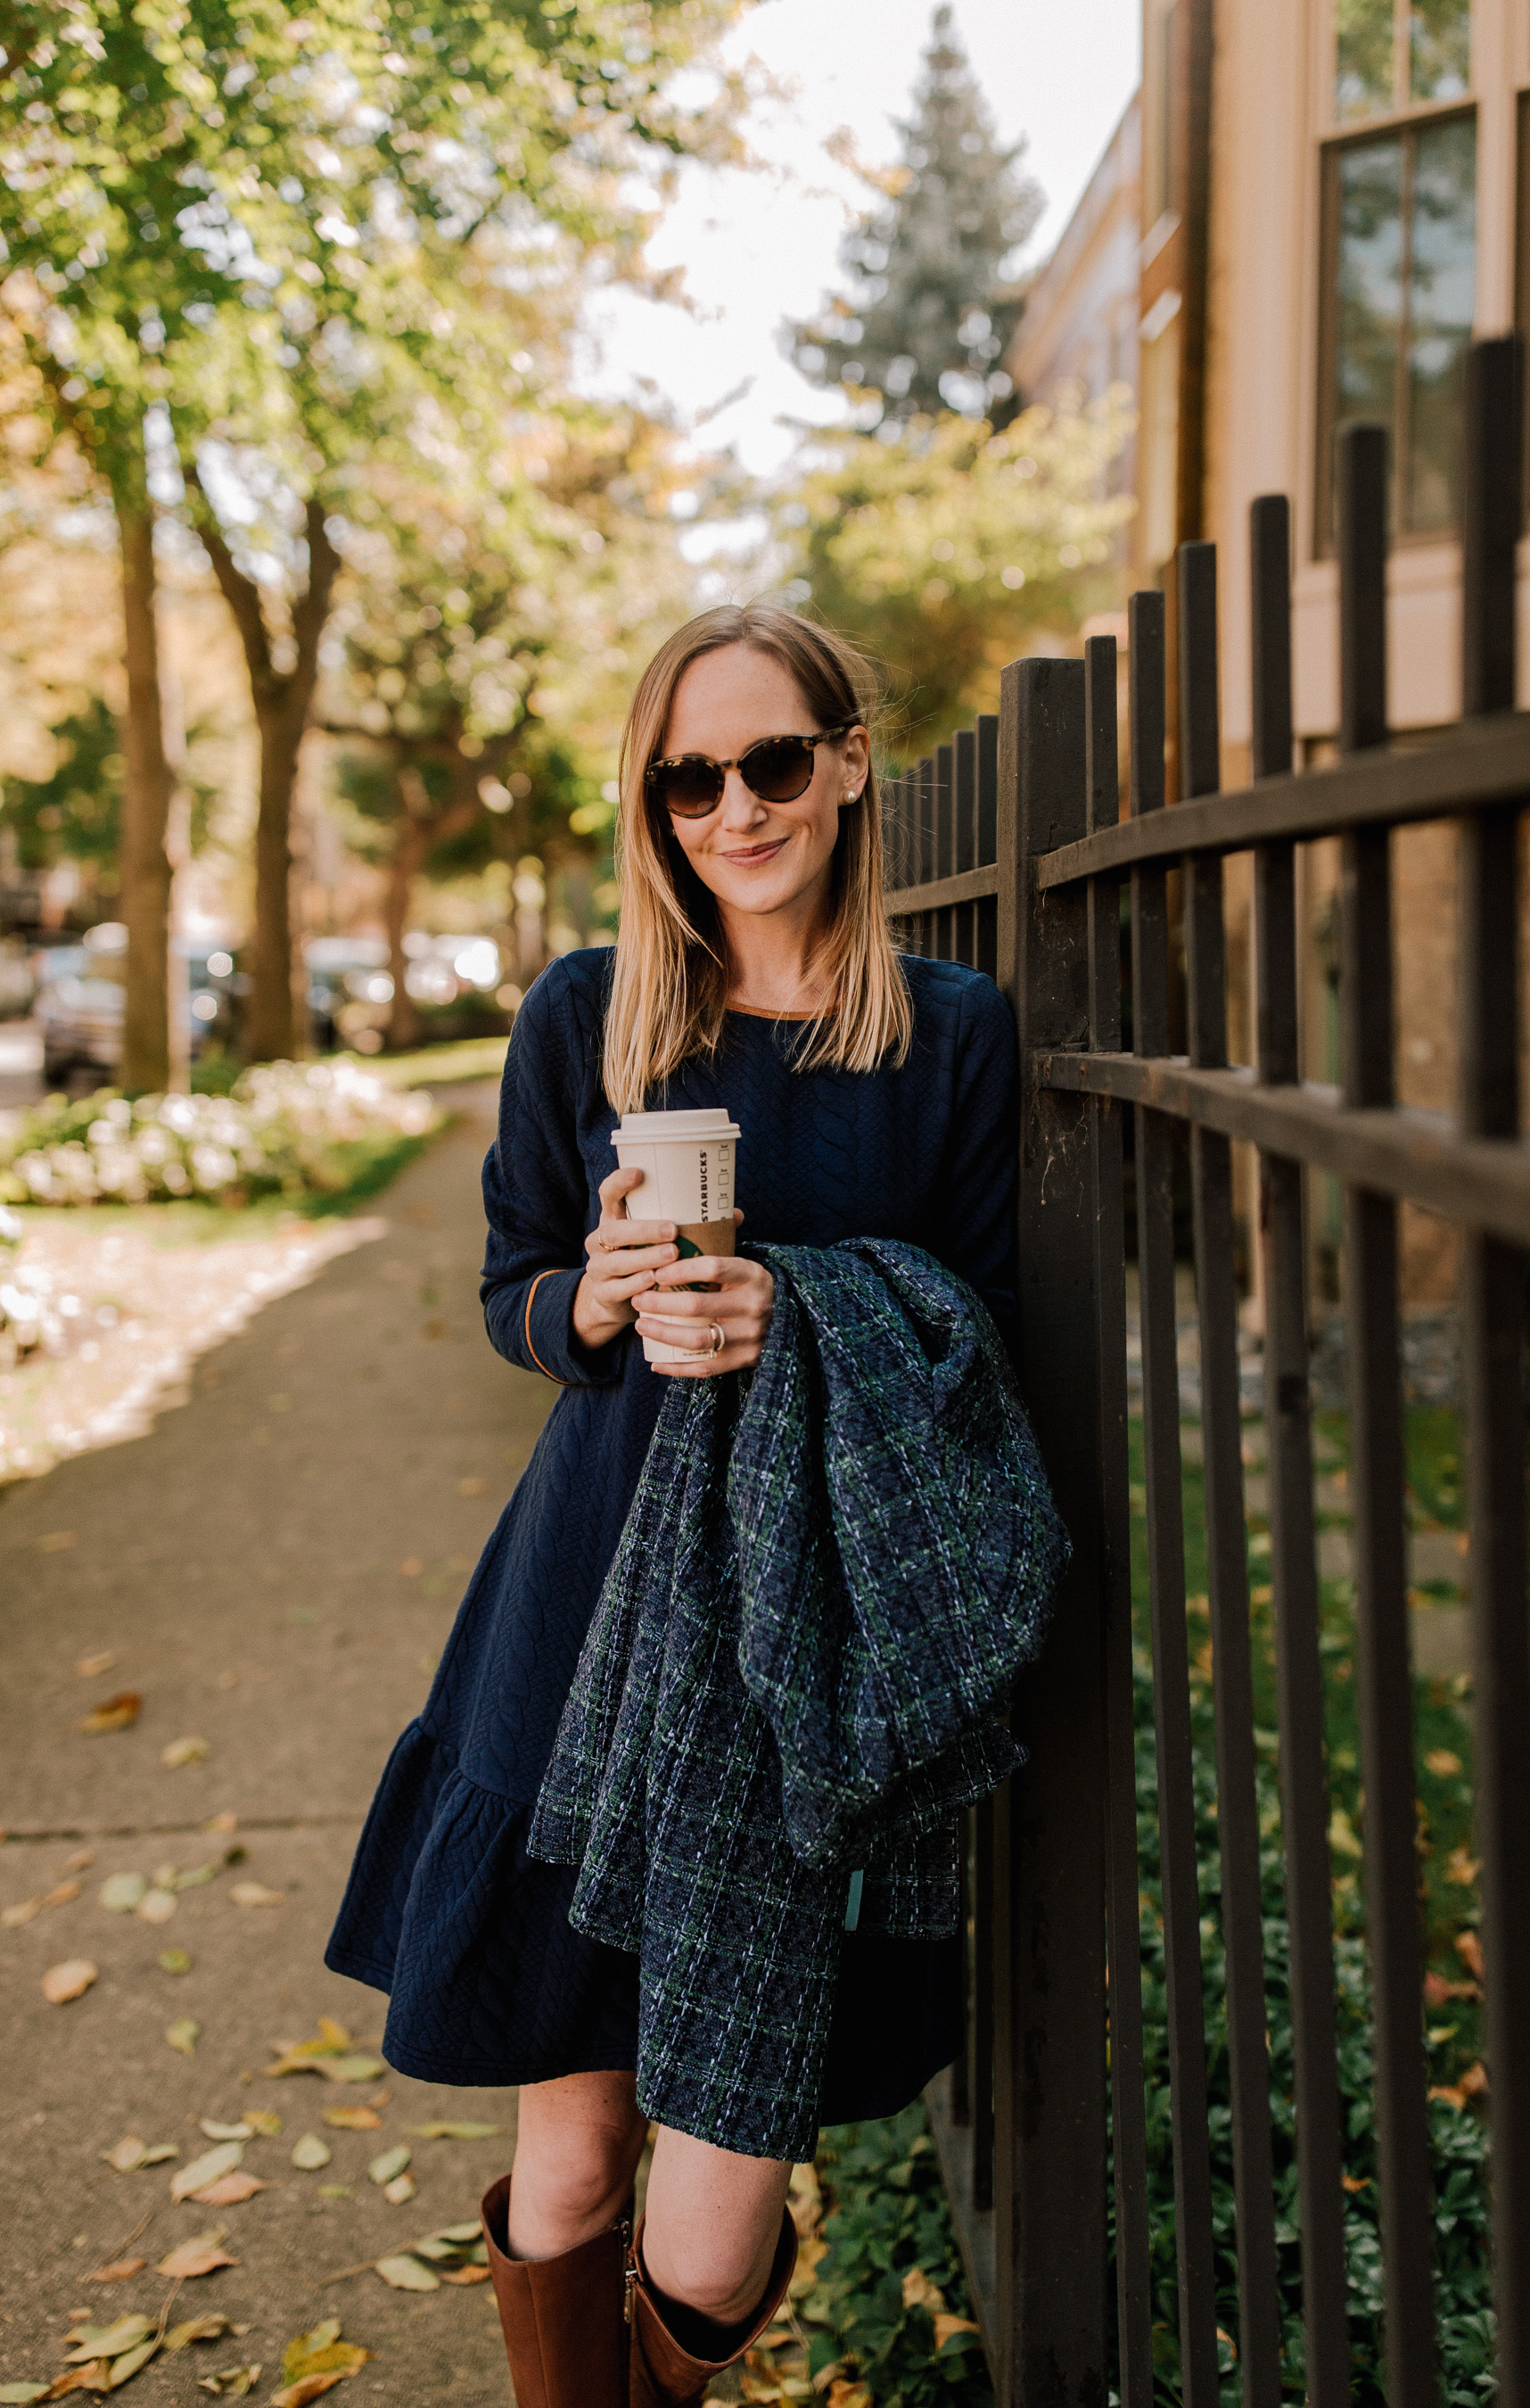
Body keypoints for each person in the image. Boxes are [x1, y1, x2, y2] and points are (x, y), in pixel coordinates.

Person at [326, 604, 1019, 2406]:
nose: (735, 807)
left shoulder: (950, 1036)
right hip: (586, 1609)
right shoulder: (591, 1014)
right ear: (655, 803)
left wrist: (816, 1308)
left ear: (847, 765)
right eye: (689, 776)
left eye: (772, 761)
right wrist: (598, 1305)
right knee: (566, 2163)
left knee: (711, 2224)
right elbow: (514, 1286)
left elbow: (988, 1332)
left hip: (799, 1645)